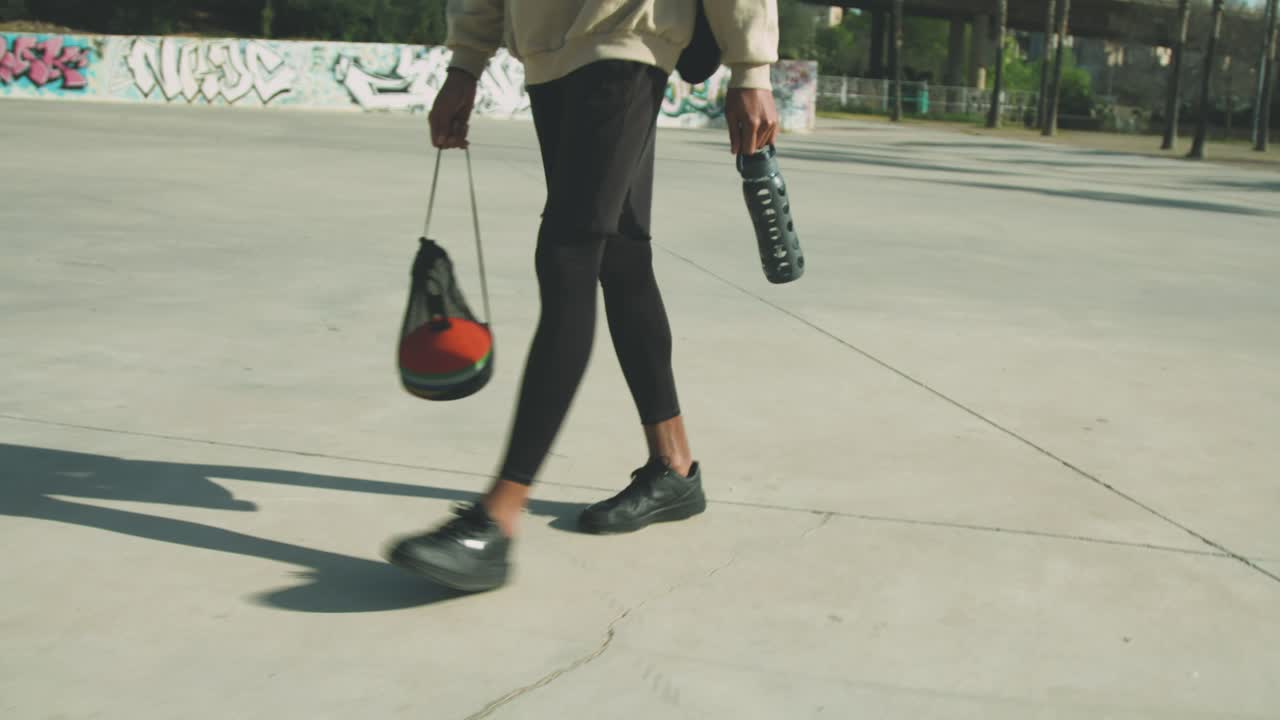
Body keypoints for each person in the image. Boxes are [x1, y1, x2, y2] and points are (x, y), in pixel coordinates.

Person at [387, 0, 780, 592]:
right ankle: (673, 467)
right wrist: (464, 65)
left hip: (624, 33)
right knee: (620, 255)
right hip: (547, 49)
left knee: (568, 252)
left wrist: (751, 68)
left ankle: (499, 517)